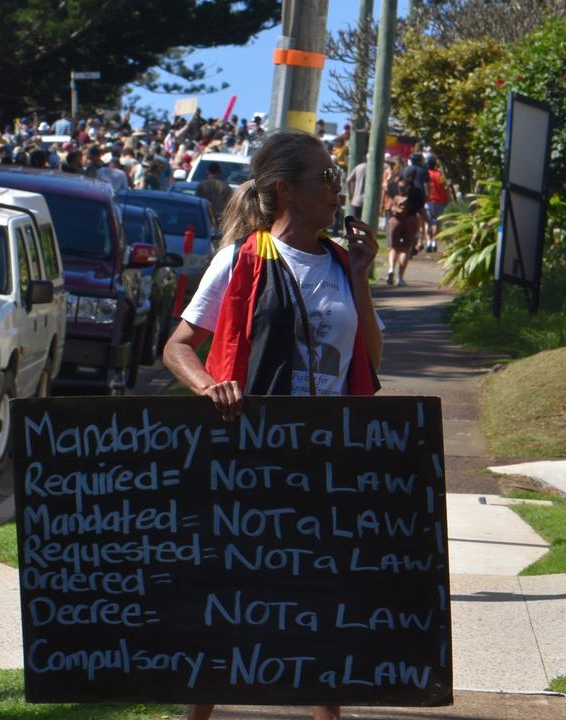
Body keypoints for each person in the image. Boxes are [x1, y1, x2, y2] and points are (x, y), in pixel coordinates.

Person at [163, 132, 381, 720]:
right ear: (285, 189)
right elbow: (179, 346)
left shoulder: (341, 263)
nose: (337, 189)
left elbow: (370, 360)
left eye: (336, 178)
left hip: (325, 459)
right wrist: (210, 386)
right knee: (227, 594)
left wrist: (360, 277)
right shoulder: (242, 260)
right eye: (324, 178)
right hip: (248, 455)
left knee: (319, 600)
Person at [385, 184, 426, 287]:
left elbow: (388, 199)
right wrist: (421, 232)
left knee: (393, 248)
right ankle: (400, 278)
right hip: (411, 221)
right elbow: (421, 213)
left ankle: (390, 270)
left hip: (395, 221)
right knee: (405, 249)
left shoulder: (396, 190)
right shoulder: (418, 193)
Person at [424, 156, 450, 253]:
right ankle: (434, 241)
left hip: (428, 201)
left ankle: (428, 242)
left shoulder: (426, 174)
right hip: (439, 201)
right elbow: (445, 188)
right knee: (436, 222)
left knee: (428, 222)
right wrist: (447, 199)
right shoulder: (440, 175)